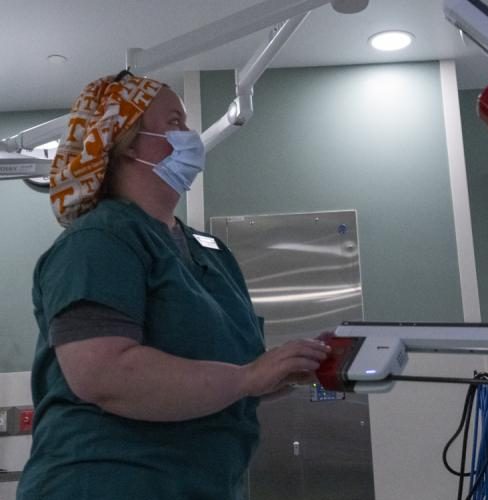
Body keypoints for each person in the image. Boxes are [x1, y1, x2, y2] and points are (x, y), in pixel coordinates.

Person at [16, 72, 331, 500]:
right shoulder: (99, 240)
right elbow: (104, 374)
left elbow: (228, 375)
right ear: (124, 141)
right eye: (174, 122)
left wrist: (283, 373)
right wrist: (246, 378)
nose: (190, 137)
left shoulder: (211, 253)